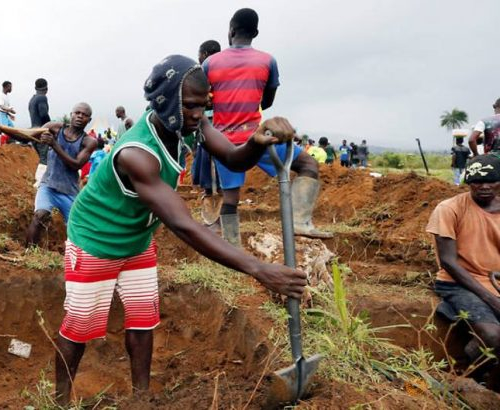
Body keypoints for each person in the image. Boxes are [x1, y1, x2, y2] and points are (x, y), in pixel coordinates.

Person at [54, 55, 307, 405]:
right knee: (79, 327)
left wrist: (257, 142)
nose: (197, 114)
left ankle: (141, 398)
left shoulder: (191, 126)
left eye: (203, 106)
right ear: (164, 100)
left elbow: (234, 158)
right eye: (189, 106)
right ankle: (60, 400)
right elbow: (182, 224)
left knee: (142, 322)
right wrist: (259, 269)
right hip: (96, 239)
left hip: (137, 240)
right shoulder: (136, 153)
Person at [204, 8, 332, 240]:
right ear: (256, 32)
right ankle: (300, 223)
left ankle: (230, 243)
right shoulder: (267, 61)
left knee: (231, 197)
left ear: (231, 31)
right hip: (258, 138)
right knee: (308, 165)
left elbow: (205, 101)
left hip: (225, 142)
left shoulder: (211, 63)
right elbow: (268, 101)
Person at [427, 155, 500, 382]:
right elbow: (449, 261)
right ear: (468, 181)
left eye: (492, 180)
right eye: (477, 181)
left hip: (495, 280)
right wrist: (492, 299)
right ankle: (466, 381)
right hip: (457, 282)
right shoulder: (449, 208)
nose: (485, 186)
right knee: (493, 335)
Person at [0, 103, 97, 247]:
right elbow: (25, 136)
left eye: (84, 115)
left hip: (69, 191)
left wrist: (54, 145)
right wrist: (2, 129)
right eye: (77, 113)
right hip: (48, 185)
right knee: (40, 215)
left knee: (77, 228)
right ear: (71, 114)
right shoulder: (54, 127)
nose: (80, 116)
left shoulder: (89, 142)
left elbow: (76, 164)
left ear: (88, 120)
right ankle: (29, 254)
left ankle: (79, 259)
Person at [193, 39, 223, 228]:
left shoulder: (204, 70)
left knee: (209, 161)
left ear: (204, 54)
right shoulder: (225, 68)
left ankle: (213, 198)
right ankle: (213, 193)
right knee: (212, 162)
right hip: (220, 121)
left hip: (211, 122)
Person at [29, 78, 52, 188]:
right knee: (45, 157)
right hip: (41, 132)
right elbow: (43, 114)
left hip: (33, 132)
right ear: (46, 88)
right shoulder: (42, 98)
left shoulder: (32, 99)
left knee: (43, 157)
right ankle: (39, 183)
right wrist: (51, 126)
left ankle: (42, 182)